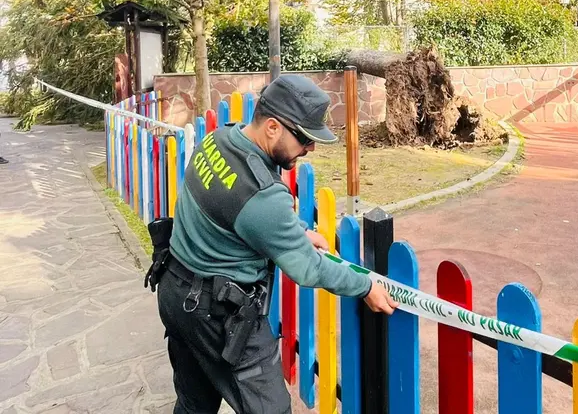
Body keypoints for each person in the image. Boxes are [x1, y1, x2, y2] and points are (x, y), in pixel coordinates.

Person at [144, 75, 398, 414]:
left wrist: (294, 233)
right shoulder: (262, 195)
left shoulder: (219, 140)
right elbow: (307, 268)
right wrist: (365, 286)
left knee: (194, 404)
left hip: (175, 292)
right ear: (274, 128)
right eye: (305, 138)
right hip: (218, 316)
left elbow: (226, 214)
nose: (311, 149)